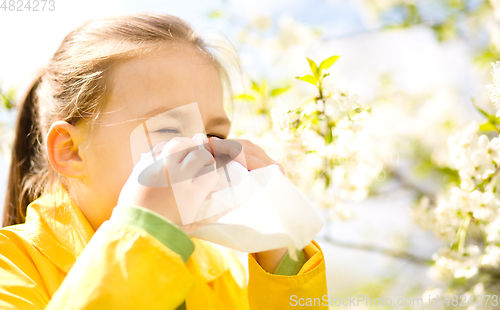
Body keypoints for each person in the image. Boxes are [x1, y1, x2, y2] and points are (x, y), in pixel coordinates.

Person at [0, 13, 328, 309]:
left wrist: (283, 260)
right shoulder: (13, 266)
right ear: (71, 152)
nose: (201, 154)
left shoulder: (222, 272)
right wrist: (144, 236)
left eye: (216, 137)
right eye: (169, 131)